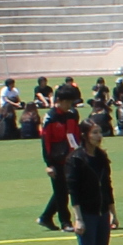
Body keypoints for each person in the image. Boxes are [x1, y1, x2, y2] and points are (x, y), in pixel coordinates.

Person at [65, 124, 120, 245]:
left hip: (101, 213)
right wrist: (78, 219)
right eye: (94, 133)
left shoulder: (101, 157)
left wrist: (113, 212)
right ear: (85, 135)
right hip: (86, 214)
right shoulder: (76, 159)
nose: (99, 136)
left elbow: (107, 186)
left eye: (99, 132)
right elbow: (73, 192)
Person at [36, 90, 84, 229]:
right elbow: (46, 142)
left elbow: (76, 135)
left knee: (65, 190)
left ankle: (46, 217)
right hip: (56, 160)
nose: (69, 105)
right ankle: (65, 222)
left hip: (71, 158)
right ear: (59, 101)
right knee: (61, 192)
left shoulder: (71, 115)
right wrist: (49, 164)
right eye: (67, 102)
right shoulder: (50, 117)